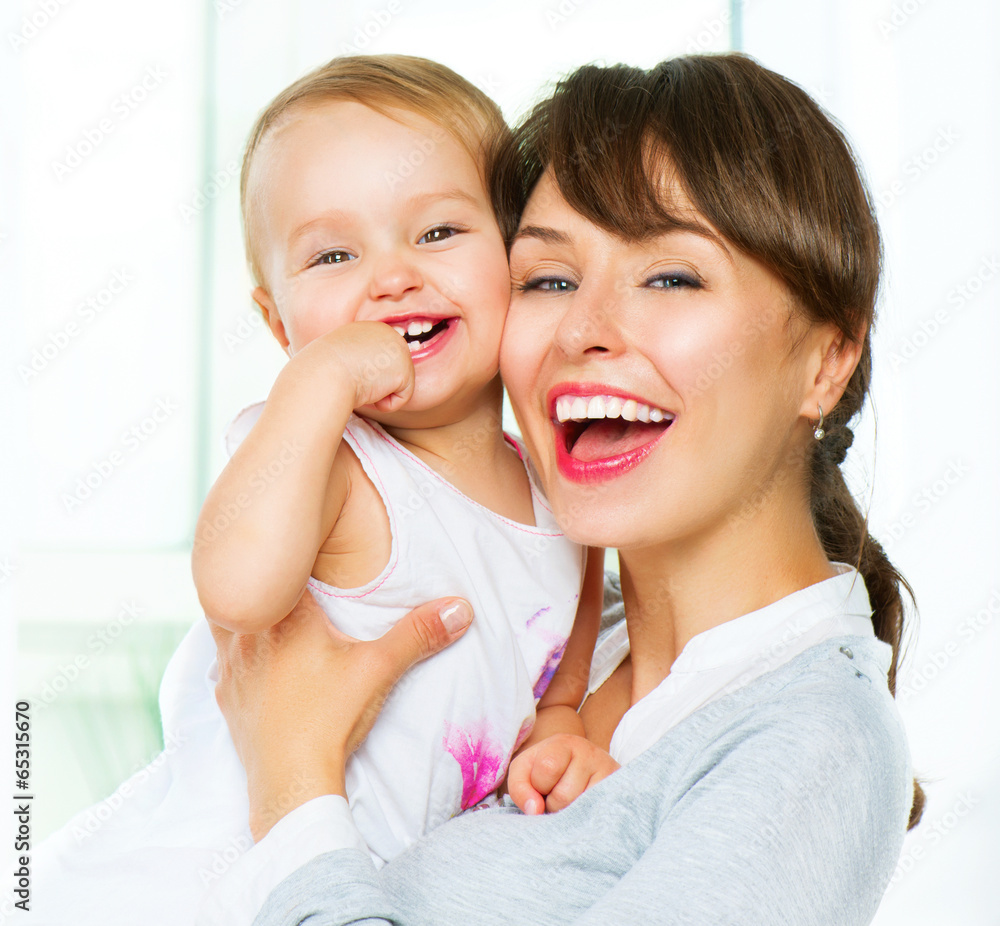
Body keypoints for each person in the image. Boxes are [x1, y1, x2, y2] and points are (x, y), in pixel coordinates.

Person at [203, 53, 922, 925]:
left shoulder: (813, 744)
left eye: (671, 277)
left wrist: (292, 792)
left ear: (826, 364)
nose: (583, 328)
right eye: (547, 279)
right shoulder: (541, 628)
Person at [32, 55, 609, 925]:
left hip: (341, 889)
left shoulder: (560, 498)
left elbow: (563, 670)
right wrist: (319, 384)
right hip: (183, 891)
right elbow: (237, 588)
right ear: (278, 323)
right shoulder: (330, 458)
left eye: (438, 232)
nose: (391, 277)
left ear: (517, 257)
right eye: (334, 254)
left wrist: (561, 729)